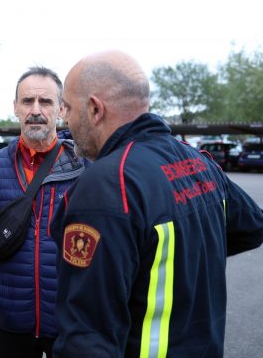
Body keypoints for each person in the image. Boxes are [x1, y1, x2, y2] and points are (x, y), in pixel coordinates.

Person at [51, 50, 263, 357]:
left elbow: (86, 339)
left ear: (95, 109)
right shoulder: (200, 164)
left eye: (68, 108)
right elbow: (253, 226)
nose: (65, 119)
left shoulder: (106, 187)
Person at [0, 66, 86, 357]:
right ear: (15, 108)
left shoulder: (84, 168)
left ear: (61, 109)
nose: (35, 110)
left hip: (69, 321)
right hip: (10, 322)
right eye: (27, 101)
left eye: (45, 102)